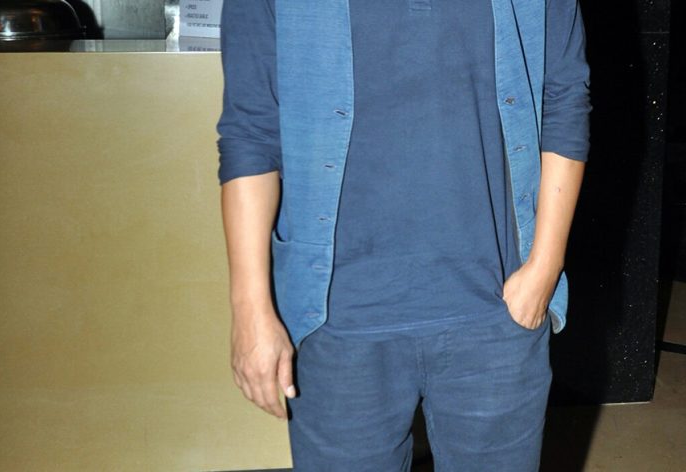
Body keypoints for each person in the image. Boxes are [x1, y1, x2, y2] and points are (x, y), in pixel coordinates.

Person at [216, 0, 590, 470]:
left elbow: (564, 97)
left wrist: (545, 267)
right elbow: (250, 132)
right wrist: (250, 309)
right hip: (335, 323)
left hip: (497, 313)